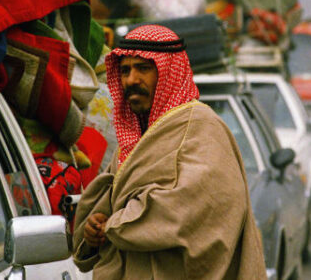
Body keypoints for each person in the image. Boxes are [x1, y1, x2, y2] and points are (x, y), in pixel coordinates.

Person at [72, 24, 266, 279]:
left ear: (168, 73)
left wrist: (115, 224)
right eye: (125, 70)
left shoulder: (201, 126)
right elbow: (113, 199)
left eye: (143, 68)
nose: (131, 80)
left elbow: (195, 207)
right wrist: (95, 227)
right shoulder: (136, 139)